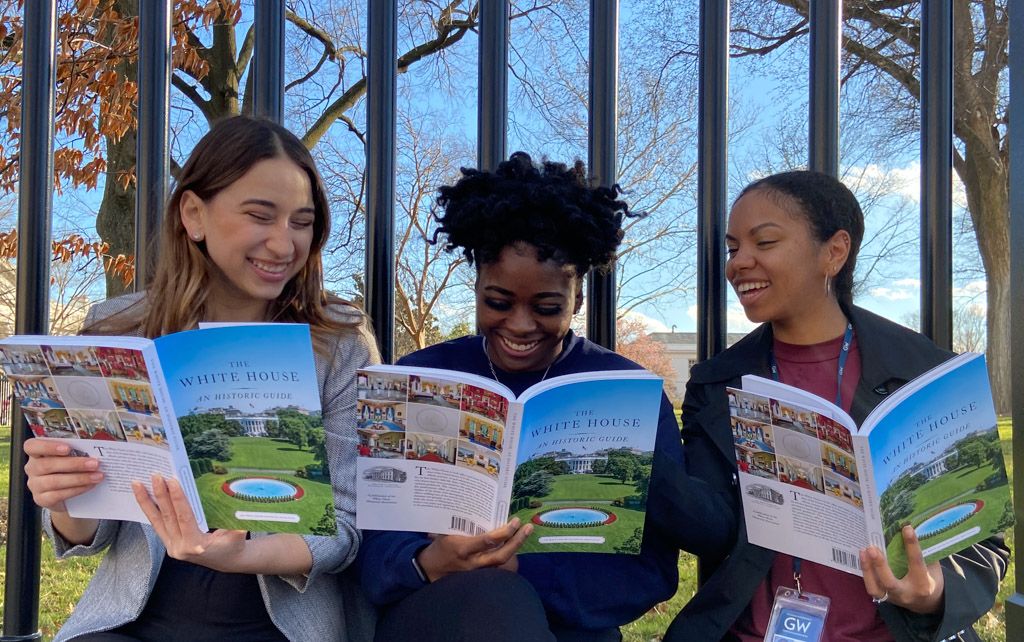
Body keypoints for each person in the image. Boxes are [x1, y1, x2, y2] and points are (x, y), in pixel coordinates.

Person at [23, 116, 379, 642]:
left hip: (278, 624)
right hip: (131, 622)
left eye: (301, 222)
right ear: (193, 214)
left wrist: (240, 554)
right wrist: (63, 500)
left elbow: (346, 530)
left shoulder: (340, 343)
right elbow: (92, 531)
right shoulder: (118, 328)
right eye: (261, 215)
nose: (284, 245)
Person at [662, 170, 1009, 641]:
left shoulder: (929, 375)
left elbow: (982, 540)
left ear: (834, 251)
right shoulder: (716, 383)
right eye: (732, 247)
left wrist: (932, 592)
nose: (739, 263)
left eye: (764, 242)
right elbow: (713, 529)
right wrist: (653, 473)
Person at [356, 152, 686, 642]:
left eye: (548, 307)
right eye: (498, 302)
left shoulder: (628, 394)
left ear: (577, 298)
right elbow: (368, 541)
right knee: (492, 603)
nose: (520, 325)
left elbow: (651, 569)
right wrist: (429, 562)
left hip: (571, 628)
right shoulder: (419, 376)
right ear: (477, 286)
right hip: (441, 615)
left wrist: (521, 576)